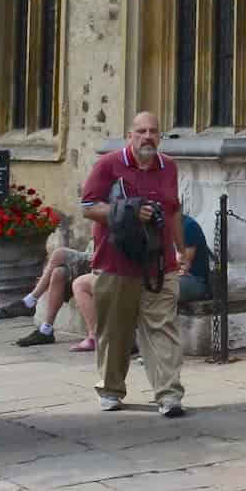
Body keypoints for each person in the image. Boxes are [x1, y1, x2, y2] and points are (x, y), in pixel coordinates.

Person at [81, 113, 189, 415]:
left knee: (162, 327)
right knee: (115, 330)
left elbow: (174, 210)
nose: (147, 137)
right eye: (141, 131)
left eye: (153, 131)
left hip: (159, 262)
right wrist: (129, 210)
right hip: (116, 262)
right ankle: (110, 389)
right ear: (130, 135)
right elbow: (88, 207)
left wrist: (182, 249)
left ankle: (169, 395)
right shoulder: (108, 165)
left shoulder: (169, 167)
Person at [13, 243, 99, 349]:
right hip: (92, 255)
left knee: (59, 253)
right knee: (58, 273)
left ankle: (30, 301)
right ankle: (46, 330)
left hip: (98, 260)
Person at [179, 209, 213, 305]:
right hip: (179, 276)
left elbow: (184, 264)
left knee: (167, 288)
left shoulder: (188, 226)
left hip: (196, 280)